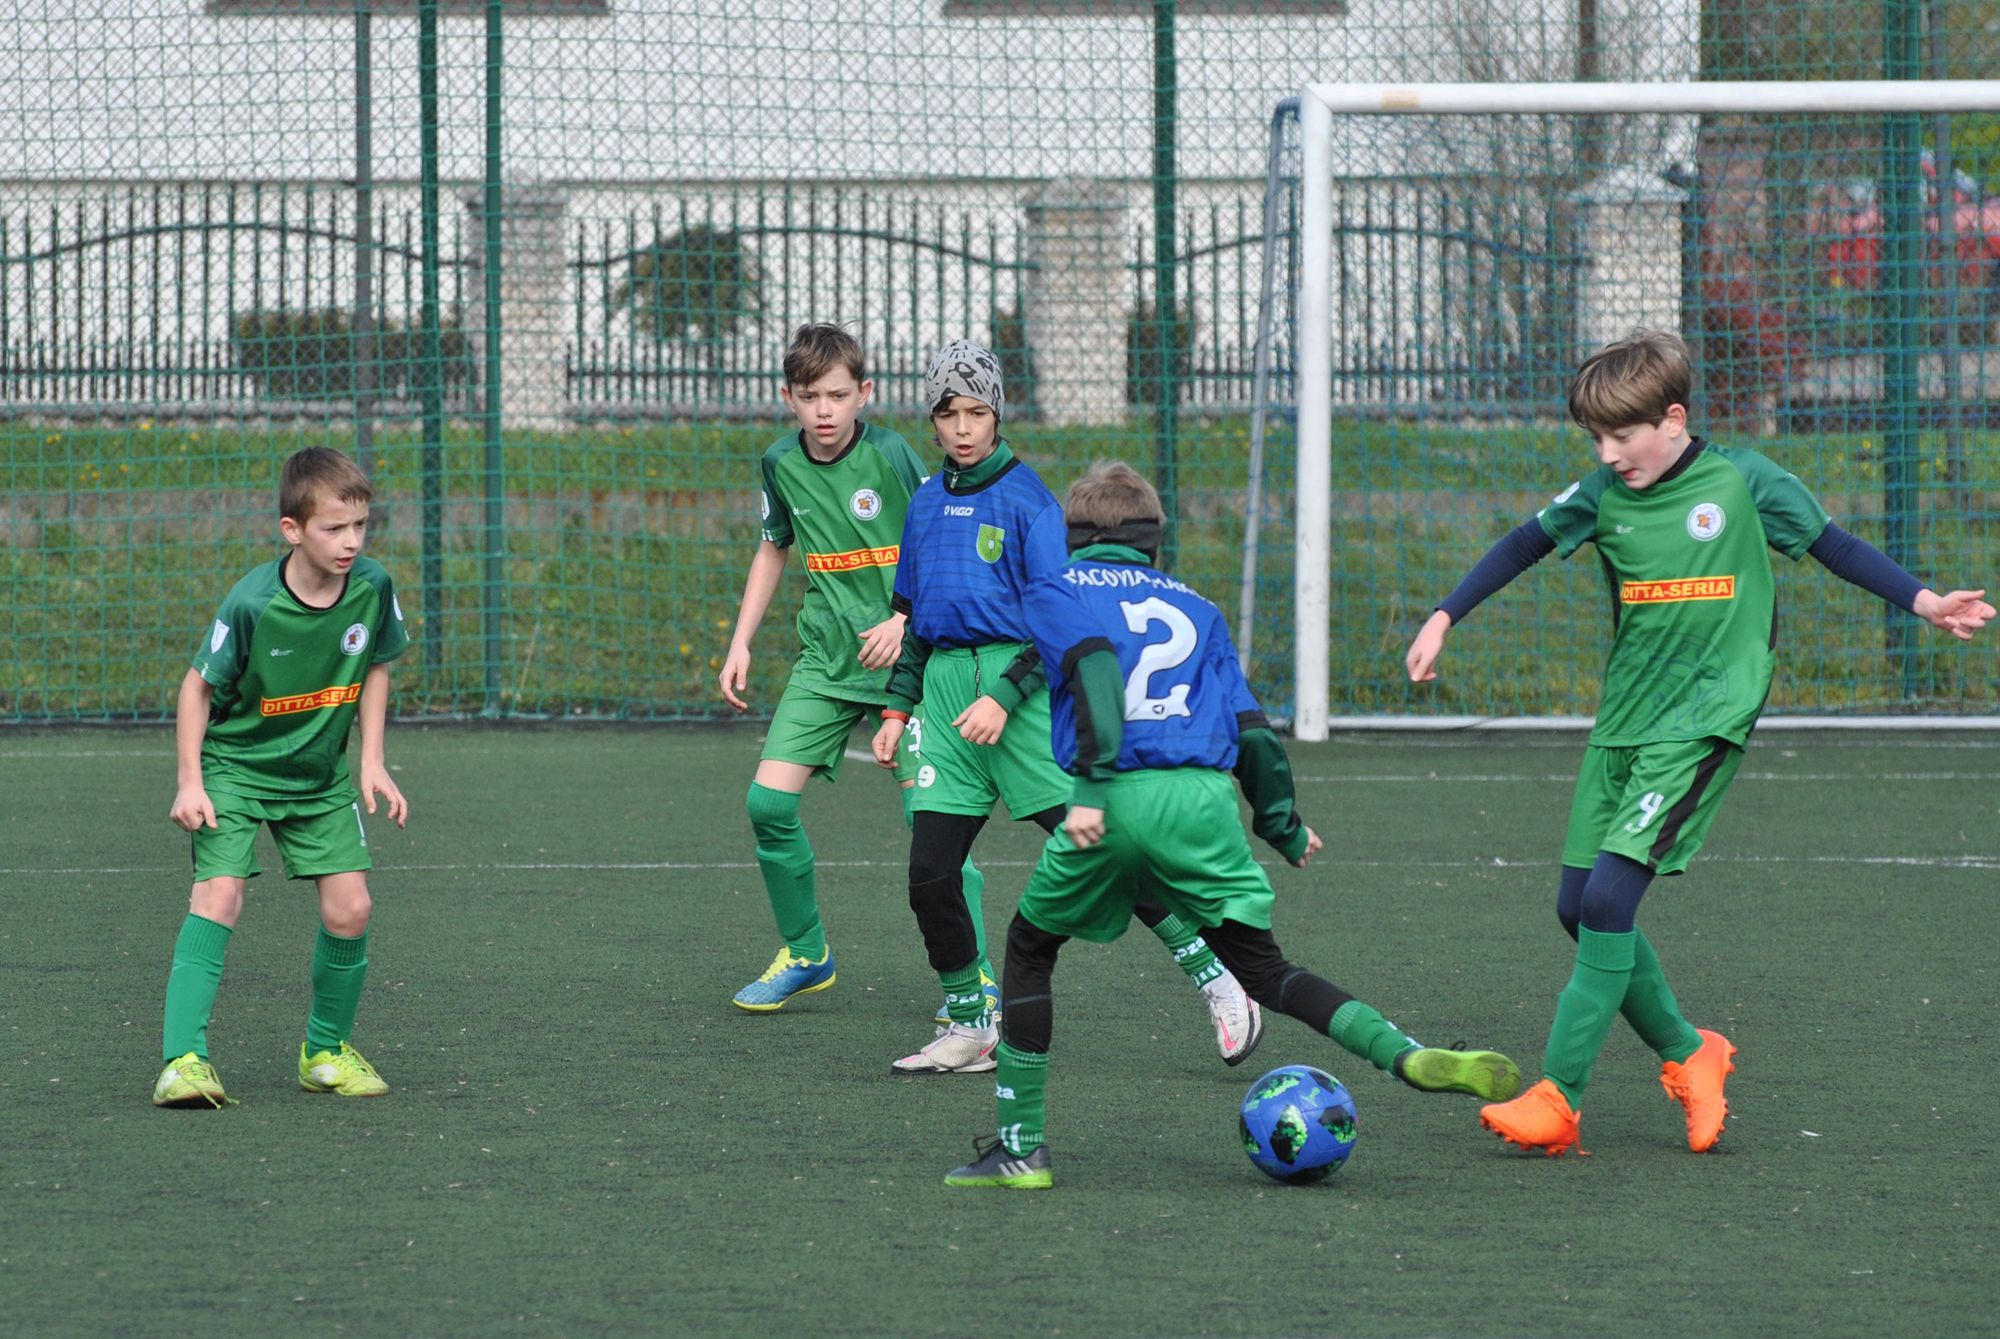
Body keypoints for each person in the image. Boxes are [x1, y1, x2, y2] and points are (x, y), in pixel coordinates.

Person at [1404, 329, 1994, 1157]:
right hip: (1625, 721)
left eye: (1621, 436)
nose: (1608, 454)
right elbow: (1522, 544)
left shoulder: (1745, 481)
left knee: (1610, 901)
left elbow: (1836, 546)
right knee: (1577, 908)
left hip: (1706, 717)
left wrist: (1925, 600)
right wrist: (1443, 616)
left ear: (1672, 419)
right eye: (1596, 439)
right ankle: (1691, 1050)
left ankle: (1559, 1095)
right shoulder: (1603, 495)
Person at [943, 460, 1522, 1188]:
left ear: (1072, 538)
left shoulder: (1057, 588)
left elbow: (1091, 663)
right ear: (1155, 542)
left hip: (1118, 793)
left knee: (1029, 948)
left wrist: (1089, 785)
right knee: (1267, 971)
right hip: (1205, 801)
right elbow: (1251, 730)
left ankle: (1022, 1149)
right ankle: (1403, 1053)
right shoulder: (1197, 607)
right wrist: (1280, 823)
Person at [872, 344, 1260, 1077]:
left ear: (998, 414)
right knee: (930, 872)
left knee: (1105, 849)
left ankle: (1217, 975)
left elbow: (1060, 617)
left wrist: (1004, 693)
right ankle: (968, 1023)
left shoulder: (1031, 501)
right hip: (947, 698)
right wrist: (896, 711)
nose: (963, 427)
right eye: (949, 413)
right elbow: (916, 617)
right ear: (932, 419)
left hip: (1016, 697)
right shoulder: (924, 502)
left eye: (976, 412)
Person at [718, 323, 998, 1021]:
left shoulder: (893, 455)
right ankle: (807, 955)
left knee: (935, 825)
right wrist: (740, 640)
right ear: (789, 397)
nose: (824, 409)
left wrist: (904, 620)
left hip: (910, 668)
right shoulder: (779, 462)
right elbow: (772, 546)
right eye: (810, 395)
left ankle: (980, 976)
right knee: (768, 805)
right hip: (825, 664)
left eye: (838, 394)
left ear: (863, 393)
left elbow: (941, 535)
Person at [154, 445, 410, 1108]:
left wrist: (372, 759)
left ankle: (323, 1052)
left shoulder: (372, 587)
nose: (351, 541)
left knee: (352, 907)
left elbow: (378, 663)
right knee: (219, 895)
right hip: (235, 768)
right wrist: (190, 780)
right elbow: (196, 687)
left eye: (360, 525)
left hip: (319, 777)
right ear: (292, 529)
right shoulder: (252, 602)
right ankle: (184, 1060)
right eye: (334, 528)